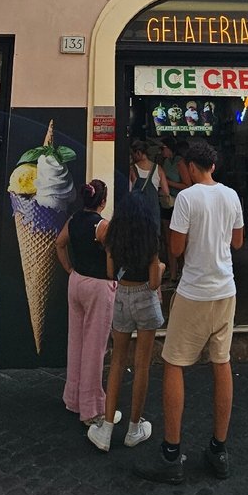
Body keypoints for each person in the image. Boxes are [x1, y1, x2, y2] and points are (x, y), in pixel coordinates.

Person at [137, 139, 244, 485]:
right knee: (222, 362)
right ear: (212, 166)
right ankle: (219, 448)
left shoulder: (187, 198)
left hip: (194, 292)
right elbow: (238, 242)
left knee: (173, 364)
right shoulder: (231, 196)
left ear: (192, 168)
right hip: (226, 290)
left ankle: (171, 453)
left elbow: (177, 247)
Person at [87, 192, 165, 452]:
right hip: (145, 297)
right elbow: (154, 282)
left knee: (117, 361)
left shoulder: (114, 238)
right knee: (142, 365)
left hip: (122, 297)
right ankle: (134, 428)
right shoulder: (151, 239)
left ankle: (106, 428)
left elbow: (111, 274)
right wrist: (162, 269)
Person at [56, 180, 121, 426]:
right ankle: (92, 409)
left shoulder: (73, 220)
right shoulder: (103, 226)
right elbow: (110, 258)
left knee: (77, 342)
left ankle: (73, 398)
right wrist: (112, 278)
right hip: (98, 286)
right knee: (95, 348)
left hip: (77, 282)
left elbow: (59, 244)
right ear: (103, 202)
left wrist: (70, 269)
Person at [160, 138, 191, 281]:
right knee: (168, 240)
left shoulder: (180, 162)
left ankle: (184, 271)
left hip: (178, 203)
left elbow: (187, 185)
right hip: (167, 203)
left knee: (179, 239)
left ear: (170, 148)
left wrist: (168, 182)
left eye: (163, 148)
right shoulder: (166, 162)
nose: (162, 151)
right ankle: (172, 274)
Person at [130, 140, 169, 233]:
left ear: (138, 153)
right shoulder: (158, 169)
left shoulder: (132, 169)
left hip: (137, 211)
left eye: (133, 154)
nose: (132, 157)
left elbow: (129, 191)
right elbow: (166, 192)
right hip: (153, 210)